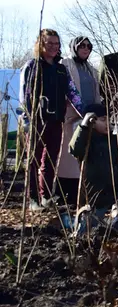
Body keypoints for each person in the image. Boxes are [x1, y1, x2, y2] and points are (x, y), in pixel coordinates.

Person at [20, 29, 84, 210]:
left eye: (57, 44)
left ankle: (46, 195)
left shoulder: (61, 69)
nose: (54, 47)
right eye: (50, 44)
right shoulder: (32, 66)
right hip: (37, 121)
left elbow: (72, 92)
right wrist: (27, 119)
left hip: (56, 120)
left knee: (50, 159)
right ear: (41, 45)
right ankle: (32, 199)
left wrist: (84, 111)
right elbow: (24, 95)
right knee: (33, 160)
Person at [69, 103, 118, 219]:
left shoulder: (113, 140)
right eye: (103, 119)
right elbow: (74, 149)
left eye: (108, 119)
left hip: (115, 192)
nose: (107, 123)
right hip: (95, 197)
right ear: (93, 122)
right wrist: (83, 125)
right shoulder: (88, 142)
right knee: (89, 227)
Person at [59, 36, 101, 205]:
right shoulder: (65, 64)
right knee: (68, 156)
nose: (85, 49)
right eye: (82, 46)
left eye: (88, 46)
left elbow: (96, 91)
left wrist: (98, 110)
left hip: (90, 116)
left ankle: (82, 192)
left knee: (85, 155)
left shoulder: (91, 69)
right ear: (74, 47)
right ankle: (64, 192)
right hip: (71, 116)